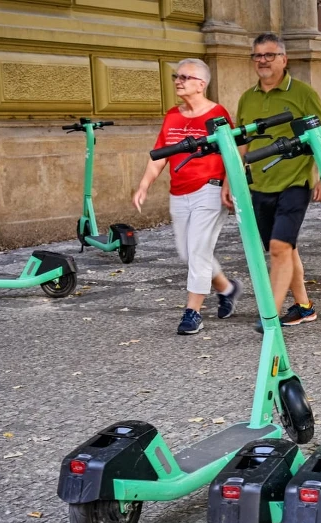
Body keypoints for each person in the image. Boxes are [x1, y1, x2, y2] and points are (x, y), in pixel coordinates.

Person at [133, 59, 239, 335]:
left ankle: (192, 312)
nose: (178, 81)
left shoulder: (217, 115)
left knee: (199, 249)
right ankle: (227, 289)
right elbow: (160, 156)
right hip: (179, 191)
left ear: (201, 84)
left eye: (185, 77)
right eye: (176, 76)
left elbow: (232, 153)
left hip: (210, 188)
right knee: (187, 252)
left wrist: (229, 183)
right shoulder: (172, 116)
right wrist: (144, 184)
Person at [229, 32, 321, 330]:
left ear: (284, 59)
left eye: (269, 55)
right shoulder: (247, 97)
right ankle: (304, 306)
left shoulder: (302, 93)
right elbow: (241, 142)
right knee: (287, 248)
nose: (262, 61)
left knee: (278, 247)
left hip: (294, 181)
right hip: (259, 184)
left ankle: (269, 316)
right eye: (257, 55)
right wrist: (229, 180)